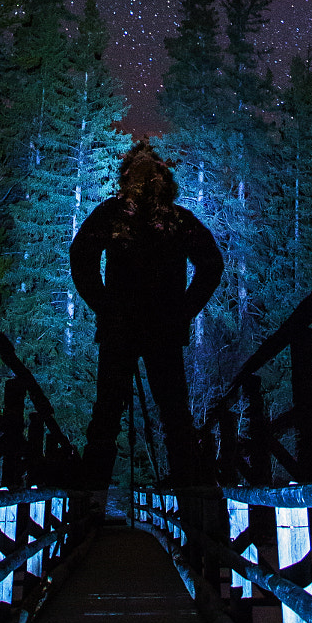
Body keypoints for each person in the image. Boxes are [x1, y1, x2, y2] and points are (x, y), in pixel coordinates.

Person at [70, 138, 223, 487]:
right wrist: (183, 310)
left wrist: (104, 305)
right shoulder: (178, 220)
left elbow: (82, 257)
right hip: (162, 331)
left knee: (107, 414)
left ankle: (90, 497)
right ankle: (189, 498)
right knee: (174, 416)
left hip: (121, 329)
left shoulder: (111, 214)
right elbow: (211, 265)